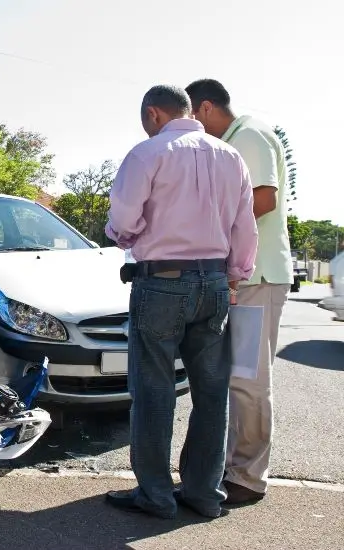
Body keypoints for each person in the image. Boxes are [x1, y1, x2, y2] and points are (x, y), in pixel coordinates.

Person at [104, 84, 258, 519]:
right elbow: (245, 228)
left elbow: (124, 220)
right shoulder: (230, 157)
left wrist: (123, 235)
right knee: (211, 393)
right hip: (214, 283)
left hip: (162, 283)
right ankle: (204, 494)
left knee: (154, 391)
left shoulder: (148, 153)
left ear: (154, 114)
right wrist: (234, 277)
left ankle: (155, 495)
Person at [186, 79, 293, 505]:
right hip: (242, 279)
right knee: (237, 378)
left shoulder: (248, 135)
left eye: (191, 117)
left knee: (248, 380)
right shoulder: (233, 139)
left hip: (258, 278)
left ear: (206, 108)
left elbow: (263, 198)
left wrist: (207, 227)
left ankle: (248, 478)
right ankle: (232, 469)